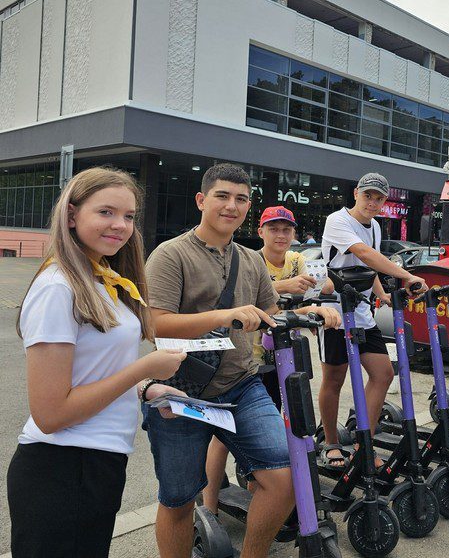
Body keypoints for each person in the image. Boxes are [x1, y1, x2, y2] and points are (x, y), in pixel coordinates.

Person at [143, 164, 340, 558]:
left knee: (286, 479)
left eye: (241, 199)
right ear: (201, 200)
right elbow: (154, 323)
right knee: (179, 500)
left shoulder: (250, 260)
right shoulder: (170, 254)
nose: (232, 206)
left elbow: (269, 312)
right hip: (180, 390)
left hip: (241, 384)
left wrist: (311, 311)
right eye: (222, 196)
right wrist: (223, 316)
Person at [7, 167, 187, 558]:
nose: (120, 225)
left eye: (128, 216)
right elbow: (51, 413)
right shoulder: (59, 286)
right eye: (105, 212)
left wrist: (146, 388)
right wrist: (144, 368)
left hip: (96, 464)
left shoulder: (102, 279)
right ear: (72, 216)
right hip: (63, 467)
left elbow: (92, 373)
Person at [202, 205, 332, 513]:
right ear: (261, 232)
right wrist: (285, 288)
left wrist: (315, 297)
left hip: (285, 354)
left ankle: (259, 491)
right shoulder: (250, 260)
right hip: (249, 358)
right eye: (273, 228)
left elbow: (319, 285)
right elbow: (242, 298)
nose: (281, 235)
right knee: (224, 433)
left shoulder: (298, 259)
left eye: (286, 229)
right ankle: (209, 509)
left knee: (281, 422)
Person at [319, 172, 427, 470]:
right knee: (335, 379)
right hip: (335, 314)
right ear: (356, 193)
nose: (373, 202)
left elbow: (371, 266)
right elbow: (363, 253)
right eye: (368, 195)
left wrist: (385, 295)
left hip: (362, 312)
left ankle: (360, 442)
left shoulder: (376, 226)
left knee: (382, 374)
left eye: (379, 198)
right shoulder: (337, 220)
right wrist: (406, 275)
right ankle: (330, 442)